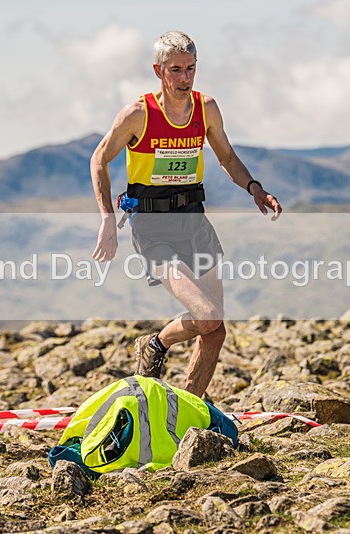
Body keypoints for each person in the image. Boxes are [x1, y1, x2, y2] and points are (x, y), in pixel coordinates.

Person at [90, 30, 281, 398]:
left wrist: (255, 188)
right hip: (153, 228)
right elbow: (99, 159)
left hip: (195, 222)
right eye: (175, 70)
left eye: (190, 69)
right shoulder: (137, 114)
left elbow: (226, 156)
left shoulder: (205, 107)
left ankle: (189, 410)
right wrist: (106, 219)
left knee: (216, 329)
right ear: (158, 71)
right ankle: (155, 344)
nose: (184, 78)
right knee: (206, 315)